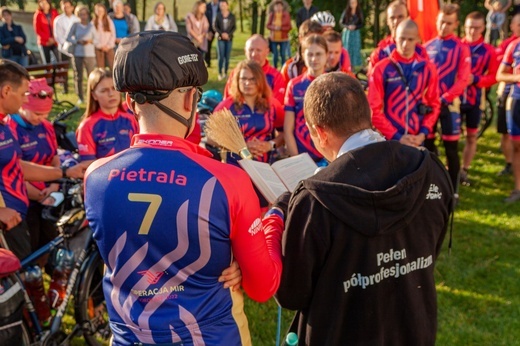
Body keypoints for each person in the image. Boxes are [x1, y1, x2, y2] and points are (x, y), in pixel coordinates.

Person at [84, 31, 284, 345]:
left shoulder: (95, 177)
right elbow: (263, 287)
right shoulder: (227, 181)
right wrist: (275, 218)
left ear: (128, 102)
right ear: (191, 100)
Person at [274, 71, 454, 346]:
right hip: (412, 329)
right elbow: (429, 249)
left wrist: (280, 213)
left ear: (319, 132)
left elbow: (291, 294)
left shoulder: (314, 201)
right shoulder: (430, 169)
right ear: (366, 114)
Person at [0, 59, 84, 260]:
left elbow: (16, 166)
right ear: (6, 91)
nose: (23, 101)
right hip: (6, 221)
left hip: (16, 217)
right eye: (22, 94)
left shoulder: (3, 123)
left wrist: (63, 173)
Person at [7, 78, 60, 255]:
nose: (42, 118)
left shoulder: (46, 126)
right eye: (37, 114)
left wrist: (54, 185)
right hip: (25, 197)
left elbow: (54, 156)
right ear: (24, 106)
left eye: (45, 114)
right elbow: (14, 167)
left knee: (50, 241)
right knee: (31, 246)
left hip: (49, 194)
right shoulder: (11, 126)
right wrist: (37, 194)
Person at [424, 3, 470, 200]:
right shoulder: (427, 47)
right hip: (429, 107)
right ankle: (430, 188)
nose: (444, 26)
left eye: (449, 23)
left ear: (456, 24)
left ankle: (453, 192)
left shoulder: (461, 48)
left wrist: (444, 98)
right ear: (437, 20)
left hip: (450, 105)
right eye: (442, 22)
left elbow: (463, 79)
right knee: (427, 146)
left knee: (451, 149)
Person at [369, 19, 440, 147]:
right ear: (395, 37)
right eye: (402, 39)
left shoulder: (428, 68)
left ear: (418, 39)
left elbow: (434, 104)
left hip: (416, 139)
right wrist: (396, 136)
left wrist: (423, 133)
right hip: (389, 139)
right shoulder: (381, 68)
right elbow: (373, 108)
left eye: (410, 39)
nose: (405, 44)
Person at [459, 11, 498, 186]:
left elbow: (495, 76)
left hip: (475, 100)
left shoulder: (488, 51)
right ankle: (449, 167)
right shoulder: (457, 46)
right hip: (454, 101)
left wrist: (476, 79)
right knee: (448, 138)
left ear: (483, 28)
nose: (472, 31)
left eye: (476, 28)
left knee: (471, 137)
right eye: (469, 27)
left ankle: (464, 169)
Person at [76, 68, 138, 166]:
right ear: (94, 95)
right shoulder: (87, 126)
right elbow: (88, 164)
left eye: (114, 88)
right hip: (107, 179)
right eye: (104, 90)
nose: (111, 94)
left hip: (133, 175)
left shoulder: (131, 119)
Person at [284, 34, 328, 165]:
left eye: (319, 54)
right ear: (303, 55)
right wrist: (297, 161)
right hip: (302, 157)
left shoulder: (335, 83)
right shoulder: (294, 85)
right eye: (310, 54)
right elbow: (288, 129)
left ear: (326, 55)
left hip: (329, 157)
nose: (314, 59)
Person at [368, 0, 429, 74]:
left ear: (408, 18)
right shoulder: (380, 53)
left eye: (400, 17)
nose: (396, 21)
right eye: (392, 18)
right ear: (387, 21)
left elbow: (428, 79)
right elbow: (372, 81)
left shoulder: (420, 51)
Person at [224, 34, 286, 105]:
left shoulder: (276, 76)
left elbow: (277, 106)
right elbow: (227, 102)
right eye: (251, 50)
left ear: (267, 52)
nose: (254, 54)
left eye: (258, 50)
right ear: (245, 51)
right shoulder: (236, 73)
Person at [496, 19, 520, 202]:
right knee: (517, 147)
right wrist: (517, 76)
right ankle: (517, 189)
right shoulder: (514, 46)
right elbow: (499, 75)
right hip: (516, 99)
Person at [66, 5, 96, 104]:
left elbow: (97, 39)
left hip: (90, 54)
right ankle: (80, 97)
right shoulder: (75, 25)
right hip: (78, 53)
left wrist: (90, 41)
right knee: (78, 76)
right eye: (81, 14)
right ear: (78, 15)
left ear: (87, 15)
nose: (83, 16)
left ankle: (91, 96)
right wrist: (77, 41)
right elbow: (68, 37)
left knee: (91, 76)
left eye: (85, 14)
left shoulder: (91, 26)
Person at [280, 19, 323, 83]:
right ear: (301, 39)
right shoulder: (290, 68)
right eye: (310, 40)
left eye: (318, 40)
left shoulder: (329, 65)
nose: (314, 44)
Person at [213, 0, 235, 81]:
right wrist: (221, 34)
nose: (222, 6)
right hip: (220, 39)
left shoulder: (232, 16)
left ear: (227, 6)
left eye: (224, 5)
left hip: (229, 39)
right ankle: (220, 73)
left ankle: (225, 73)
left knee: (227, 57)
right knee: (221, 56)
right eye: (221, 5)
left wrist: (228, 34)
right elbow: (215, 26)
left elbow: (234, 27)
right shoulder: (218, 15)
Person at [266, 0, 292, 69]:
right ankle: (275, 68)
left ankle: (283, 68)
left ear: (282, 7)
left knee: (283, 54)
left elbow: (289, 27)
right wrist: (274, 28)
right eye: (276, 6)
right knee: (275, 54)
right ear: (274, 7)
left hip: (283, 38)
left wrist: (281, 28)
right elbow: (268, 25)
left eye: (280, 6)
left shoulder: (286, 15)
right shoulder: (272, 15)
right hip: (273, 38)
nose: (278, 8)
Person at [339, 0, 364, 69]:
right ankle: (346, 63)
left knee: (355, 48)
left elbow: (361, 23)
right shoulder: (346, 12)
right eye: (351, 3)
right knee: (347, 48)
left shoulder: (359, 12)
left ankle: (354, 65)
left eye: (354, 3)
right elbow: (341, 23)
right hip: (348, 33)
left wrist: (356, 27)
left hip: (355, 33)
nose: (353, 4)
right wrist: (348, 26)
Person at [92, 3, 116, 70]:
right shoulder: (93, 23)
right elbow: (92, 36)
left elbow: (113, 34)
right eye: (98, 11)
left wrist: (108, 45)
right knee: (100, 68)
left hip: (109, 47)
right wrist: (100, 46)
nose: (100, 13)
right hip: (98, 48)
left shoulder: (109, 21)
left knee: (112, 66)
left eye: (101, 11)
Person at [204, 0, 220, 67]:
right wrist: (208, 31)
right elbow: (205, 18)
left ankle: (221, 63)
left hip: (219, 29)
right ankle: (208, 62)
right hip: (210, 29)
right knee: (208, 46)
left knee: (220, 46)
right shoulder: (208, 6)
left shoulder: (222, 4)